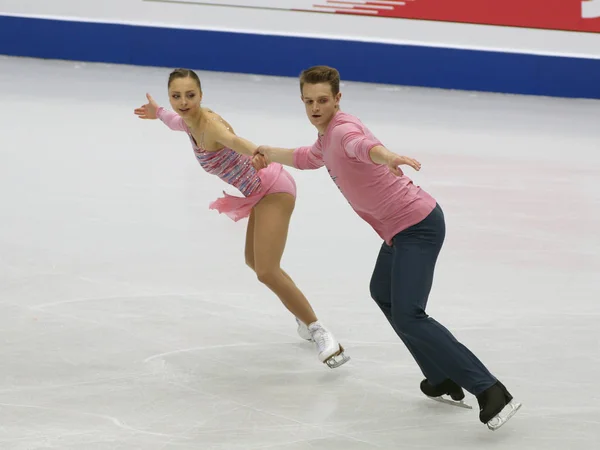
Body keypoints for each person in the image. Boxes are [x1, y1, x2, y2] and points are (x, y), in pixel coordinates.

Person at [252, 65, 521, 430]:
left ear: (337, 99)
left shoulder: (343, 130)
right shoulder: (325, 136)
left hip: (418, 226)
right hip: (399, 231)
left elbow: (364, 147)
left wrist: (389, 156)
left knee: (409, 313)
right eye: (309, 101)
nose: (315, 107)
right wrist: (267, 152)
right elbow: (307, 157)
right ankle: (439, 376)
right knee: (383, 292)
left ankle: (489, 389)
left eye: (323, 100)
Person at [133, 68, 350, 369]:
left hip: (273, 188)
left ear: (201, 95)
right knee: (255, 262)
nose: (183, 102)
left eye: (190, 95)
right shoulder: (187, 121)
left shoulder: (210, 127)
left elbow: (237, 142)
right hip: (257, 193)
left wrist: (259, 154)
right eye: (176, 96)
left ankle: (321, 332)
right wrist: (157, 111)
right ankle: (303, 318)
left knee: (266, 270)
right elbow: (174, 121)